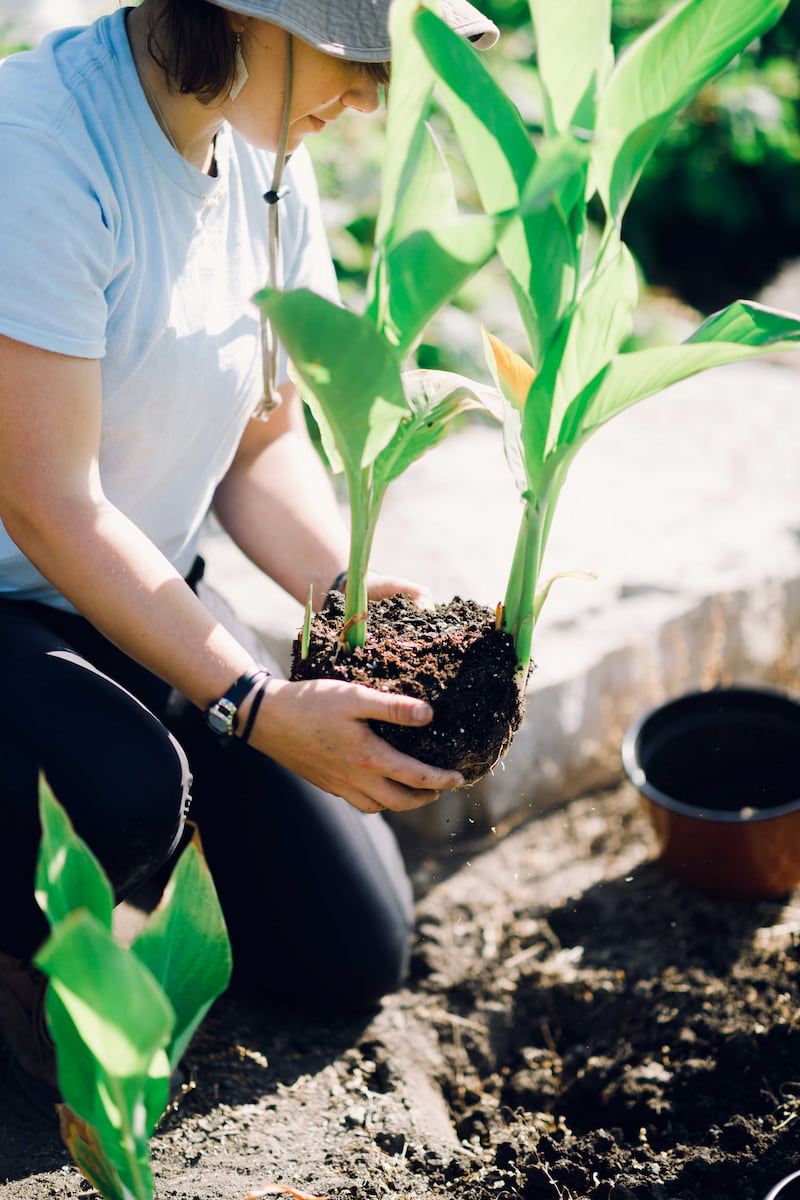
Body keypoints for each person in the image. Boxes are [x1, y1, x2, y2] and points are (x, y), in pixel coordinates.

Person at [0, 0, 499, 1106]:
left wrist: (350, 598)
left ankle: (153, 854)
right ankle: (31, 945)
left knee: (349, 947)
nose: (373, 93)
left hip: (137, 596)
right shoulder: (35, 148)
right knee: (124, 784)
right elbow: (49, 507)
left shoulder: (263, 154)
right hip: (12, 608)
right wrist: (256, 704)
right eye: (359, 50)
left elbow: (260, 440)